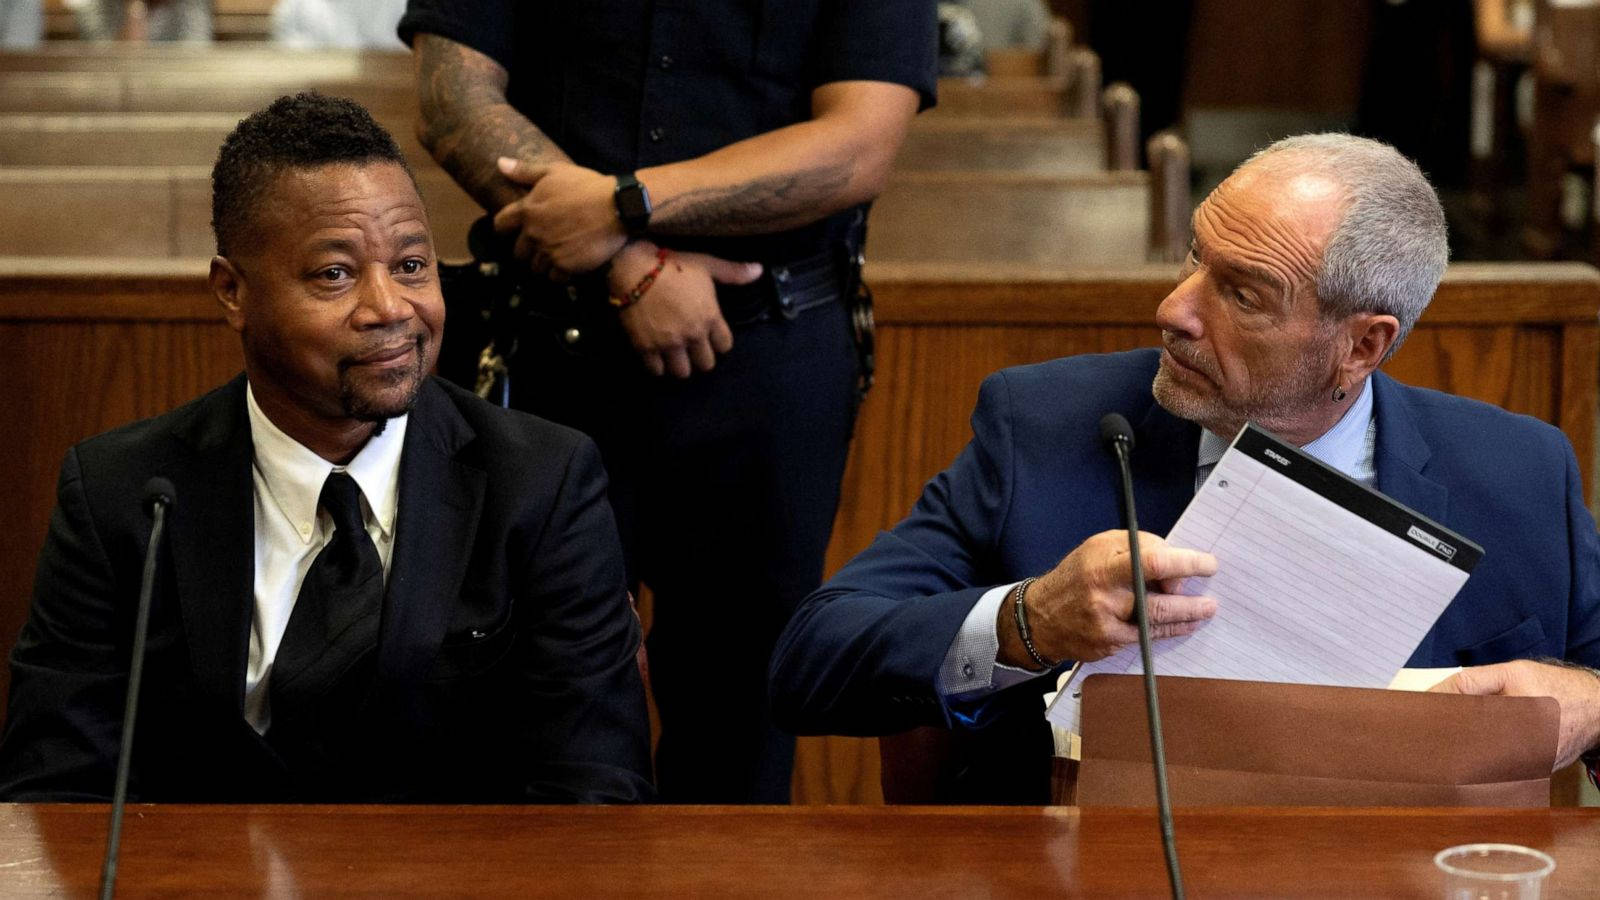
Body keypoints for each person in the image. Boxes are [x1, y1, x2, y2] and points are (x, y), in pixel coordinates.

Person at [769, 133, 1600, 803]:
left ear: (1362, 345)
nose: (1173, 310)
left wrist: (1593, 703)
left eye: (1242, 294)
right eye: (1194, 259)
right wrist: (1030, 622)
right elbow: (812, 659)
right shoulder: (1046, 428)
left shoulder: (1520, 474)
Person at [0, 93, 653, 803]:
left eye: (412, 265)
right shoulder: (123, 494)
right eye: (334, 274)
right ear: (232, 292)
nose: (389, 308)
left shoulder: (542, 483)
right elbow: (54, 791)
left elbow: (596, 790)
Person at [399, 1, 938, 803]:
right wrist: (626, 261)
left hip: (768, 356)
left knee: (741, 721)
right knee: (529, 709)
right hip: (548, 344)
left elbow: (858, 144)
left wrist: (623, 206)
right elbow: (454, 99)